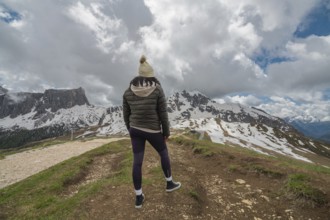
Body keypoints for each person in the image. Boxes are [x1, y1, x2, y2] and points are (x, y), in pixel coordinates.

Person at [123, 55, 181, 208]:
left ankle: (138, 197)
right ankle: (169, 184)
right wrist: (166, 132)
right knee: (163, 153)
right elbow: (163, 113)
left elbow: (126, 114)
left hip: (135, 129)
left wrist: (131, 129)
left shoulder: (127, 92)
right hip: (153, 130)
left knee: (137, 163)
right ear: (150, 75)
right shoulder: (157, 89)